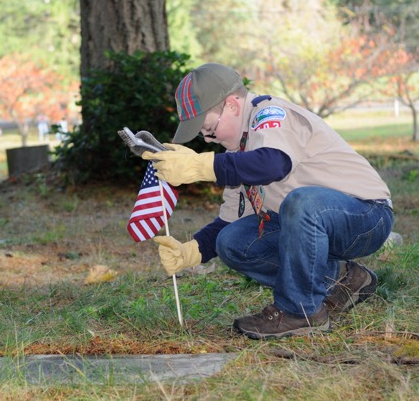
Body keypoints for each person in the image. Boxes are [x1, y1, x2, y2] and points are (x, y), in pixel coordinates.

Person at [142, 63, 394, 340]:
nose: (208, 139)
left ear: (233, 106)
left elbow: (273, 164)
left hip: (366, 215)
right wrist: (191, 252)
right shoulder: (240, 150)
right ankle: (343, 279)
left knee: (302, 202)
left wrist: (203, 166)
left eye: (209, 129)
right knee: (233, 241)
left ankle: (299, 313)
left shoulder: (270, 114)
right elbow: (228, 222)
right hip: (315, 224)